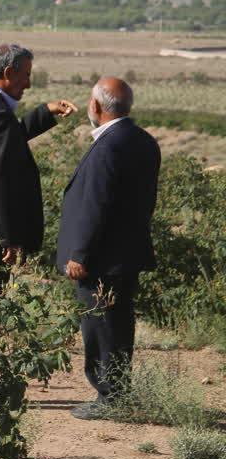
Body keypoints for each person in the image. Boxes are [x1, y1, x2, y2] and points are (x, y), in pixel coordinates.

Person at [56, 78, 161, 419]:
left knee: (101, 327)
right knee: (118, 325)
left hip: (100, 259)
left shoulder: (109, 146)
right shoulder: (143, 140)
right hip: (126, 253)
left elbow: (96, 205)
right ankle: (117, 393)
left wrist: (80, 254)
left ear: (97, 107)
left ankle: (110, 397)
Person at [0, 44, 77, 289]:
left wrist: (44, 112)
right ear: (9, 72)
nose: (28, 84)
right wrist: (8, 237)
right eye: (26, 75)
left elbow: (7, 140)